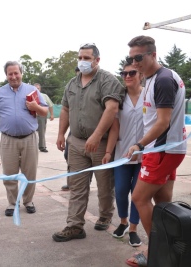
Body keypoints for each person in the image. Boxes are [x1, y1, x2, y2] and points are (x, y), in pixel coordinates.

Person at [124, 35, 187, 267]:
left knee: (140, 198)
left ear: (153, 54)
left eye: (139, 57)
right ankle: (170, 250)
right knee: (162, 203)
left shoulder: (162, 80)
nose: (134, 62)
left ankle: (159, 252)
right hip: (164, 150)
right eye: (131, 58)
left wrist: (139, 145)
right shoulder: (152, 78)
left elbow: (162, 122)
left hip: (161, 150)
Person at [54, 43, 125, 242]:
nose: (83, 62)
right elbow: (66, 109)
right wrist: (61, 134)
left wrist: (96, 135)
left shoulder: (107, 81)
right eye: (80, 58)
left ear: (97, 60)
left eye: (87, 58)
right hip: (76, 143)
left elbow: (112, 109)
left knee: (104, 186)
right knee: (77, 186)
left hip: (100, 144)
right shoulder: (72, 83)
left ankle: (105, 216)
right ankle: (75, 225)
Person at [0, 61, 48, 217]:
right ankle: (12, 203)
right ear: (6, 75)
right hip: (8, 139)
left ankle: (28, 201)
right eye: (10, 74)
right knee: (9, 174)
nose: (13, 76)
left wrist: (36, 107)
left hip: (29, 138)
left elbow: (45, 111)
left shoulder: (32, 90)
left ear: (21, 73)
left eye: (16, 73)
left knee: (30, 173)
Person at [102, 62, 143, 247]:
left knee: (137, 194)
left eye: (131, 73)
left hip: (144, 155)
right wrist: (109, 152)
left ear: (140, 74)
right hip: (122, 155)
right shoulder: (120, 99)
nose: (127, 76)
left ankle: (133, 229)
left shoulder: (149, 96)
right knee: (120, 191)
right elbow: (115, 128)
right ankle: (123, 222)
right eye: (124, 73)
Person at [61, 67, 80, 191]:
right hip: (74, 131)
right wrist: (60, 134)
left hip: (93, 132)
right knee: (68, 155)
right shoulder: (71, 87)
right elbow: (65, 109)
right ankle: (71, 182)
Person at [34, 83, 54, 153]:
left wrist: (51, 114)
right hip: (32, 116)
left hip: (41, 116)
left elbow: (50, 105)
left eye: (38, 88)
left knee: (41, 132)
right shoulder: (30, 96)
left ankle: (42, 146)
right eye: (35, 88)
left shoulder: (44, 96)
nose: (37, 90)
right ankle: (32, 147)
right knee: (31, 132)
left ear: (40, 89)